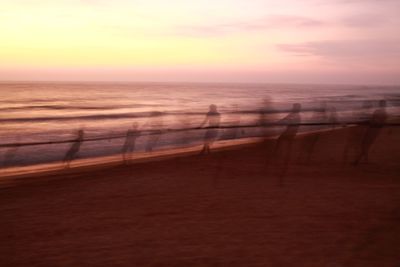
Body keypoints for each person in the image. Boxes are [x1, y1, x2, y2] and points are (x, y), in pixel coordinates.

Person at [273, 103, 301, 184]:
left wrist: (277, 122)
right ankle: (285, 155)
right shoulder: (296, 114)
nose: (293, 108)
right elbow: (285, 119)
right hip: (292, 132)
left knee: (280, 140)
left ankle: (277, 153)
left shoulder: (295, 115)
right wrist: (278, 122)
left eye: (294, 107)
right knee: (287, 143)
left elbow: (286, 120)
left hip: (289, 132)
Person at [354, 100, 388, 165]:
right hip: (374, 131)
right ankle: (363, 160)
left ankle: (359, 160)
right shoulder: (384, 113)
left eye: (380, 104)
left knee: (364, 145)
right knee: (366, 145)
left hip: (371, 130)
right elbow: (380, 123)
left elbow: (372, 120)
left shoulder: (379, 112)